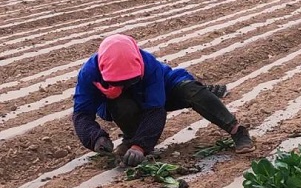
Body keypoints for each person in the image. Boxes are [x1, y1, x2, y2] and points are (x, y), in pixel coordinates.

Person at [72, 34, 254, 166]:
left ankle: (237, 130)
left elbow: (155, 110)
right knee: (121, 104)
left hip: (164, 91)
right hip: (123, 103)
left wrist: (140, 146)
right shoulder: (90, 73)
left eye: (131, 80)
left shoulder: (148, 64)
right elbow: (82, 114)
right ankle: (131, 137)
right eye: (120, 81)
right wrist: (96, 138)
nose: (126, 84)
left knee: (191, 90)